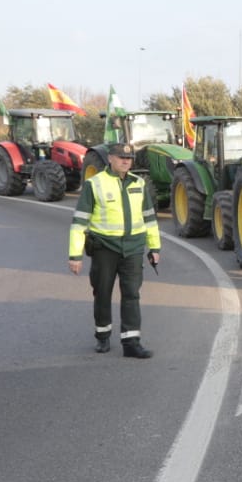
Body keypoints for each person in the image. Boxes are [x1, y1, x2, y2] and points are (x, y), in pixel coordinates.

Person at [68, 141, 161, 358]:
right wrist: (75, 255)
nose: (126, 161)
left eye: (129, 158)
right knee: (102, 293)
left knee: (131, 294)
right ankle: (102, 335)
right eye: (121, 157)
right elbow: (79, 222)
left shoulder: (139, 183)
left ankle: (131, 343)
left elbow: (149, 218)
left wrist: (155, 247)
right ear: (110, 158)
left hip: (133, 247)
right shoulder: (95, 184)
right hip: (104, 248)